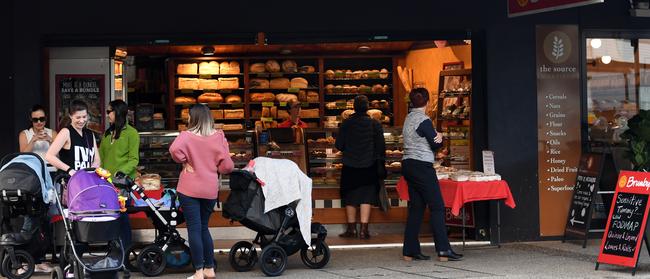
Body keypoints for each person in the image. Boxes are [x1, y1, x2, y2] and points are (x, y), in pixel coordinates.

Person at [169, 104, 234, 279]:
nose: (188, 119)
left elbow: (174, 151)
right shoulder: (219, 136)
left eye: (189, 116)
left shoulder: (186, 136)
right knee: (204, 228)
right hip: (210, 189)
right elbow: (228, 166)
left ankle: (198, 271)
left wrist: (186, 160)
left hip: (189, 188)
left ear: (194, 118)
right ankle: (209, 269)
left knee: (194, 229)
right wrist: (215, 166)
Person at [401, 88, 462, 261]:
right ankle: (443, 249)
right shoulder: (424, 120)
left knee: (417, 207)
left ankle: (410, 250)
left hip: (408, 165)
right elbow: (435, 145)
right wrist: (441, 137)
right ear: (427, 102)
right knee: (437, 207)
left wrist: (436, 136)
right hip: (422, 166)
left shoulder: (408, 118)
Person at [335, 95, 385, 239]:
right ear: (367, 107)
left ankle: (351, 229)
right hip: (369, 165)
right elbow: (381, 147)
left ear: (354, 108)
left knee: (350, 195)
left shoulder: (346, 123)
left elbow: (339, 145)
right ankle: (364, 230)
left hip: (350, 165)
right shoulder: (375, 124)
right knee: (366, 196)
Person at [17, 104, 57, 273]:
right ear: (31, 120)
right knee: (30, 217)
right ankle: (24, 259)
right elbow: (22, 155)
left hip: (50, 176)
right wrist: (34, 140)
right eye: (36, 119)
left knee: (47, 218)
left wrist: (51, 141)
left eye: (42, 119)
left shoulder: (53, 133)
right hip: (32, 177)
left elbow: (60, 154)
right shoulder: (25, 134)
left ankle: (41, 259)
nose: (39, 123)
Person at [98, 100, 139, 253]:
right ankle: (113, 253)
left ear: (118, 112)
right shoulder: (107, 134)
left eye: (110, 111)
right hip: (105, 184)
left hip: (122, 185)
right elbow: (101, 158)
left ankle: (126, 254)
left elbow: (134, 160)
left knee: (122, 219)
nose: (107, 114)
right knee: (110, 218)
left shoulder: (132, 133)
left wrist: (119, 172)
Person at [46, 99, 100, 176]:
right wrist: (69, 170)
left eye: (84, 117)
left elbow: (97, 160)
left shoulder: (90, 134)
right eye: (78, 117)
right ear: (70, 116)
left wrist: (92, 169)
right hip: (70, 181)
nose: (82, 121)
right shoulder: (66, 132)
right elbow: (49, 156)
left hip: (87, 181)